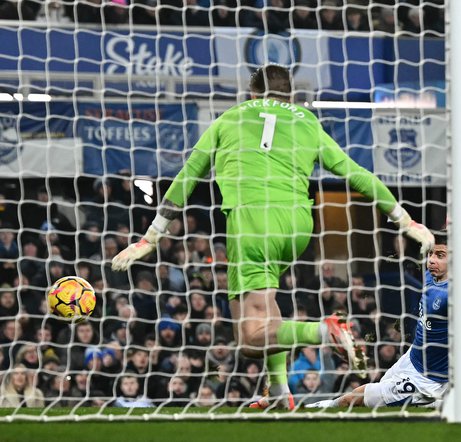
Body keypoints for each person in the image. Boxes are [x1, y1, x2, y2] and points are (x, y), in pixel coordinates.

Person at [112, 65, 434, 410]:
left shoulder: (229, 119)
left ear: (252, 94)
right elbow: (355, 173)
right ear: (290, 95)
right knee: (260, 309)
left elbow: (187, 176)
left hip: (252, 221)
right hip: (298, 223)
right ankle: (279, 391)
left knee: (250, 338)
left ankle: (325, 331)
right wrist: (404, 219)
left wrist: (151, 236)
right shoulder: (307, 122)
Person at [305, 234, 461, 408]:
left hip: (426, 379)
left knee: (355, 401)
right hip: (411, 357)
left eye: (440, 256)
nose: (432, 261)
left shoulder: (457, 295)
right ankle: (433, 402)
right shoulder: (430, 276)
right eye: (431, 255)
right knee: (376, 390)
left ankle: (317, 407)